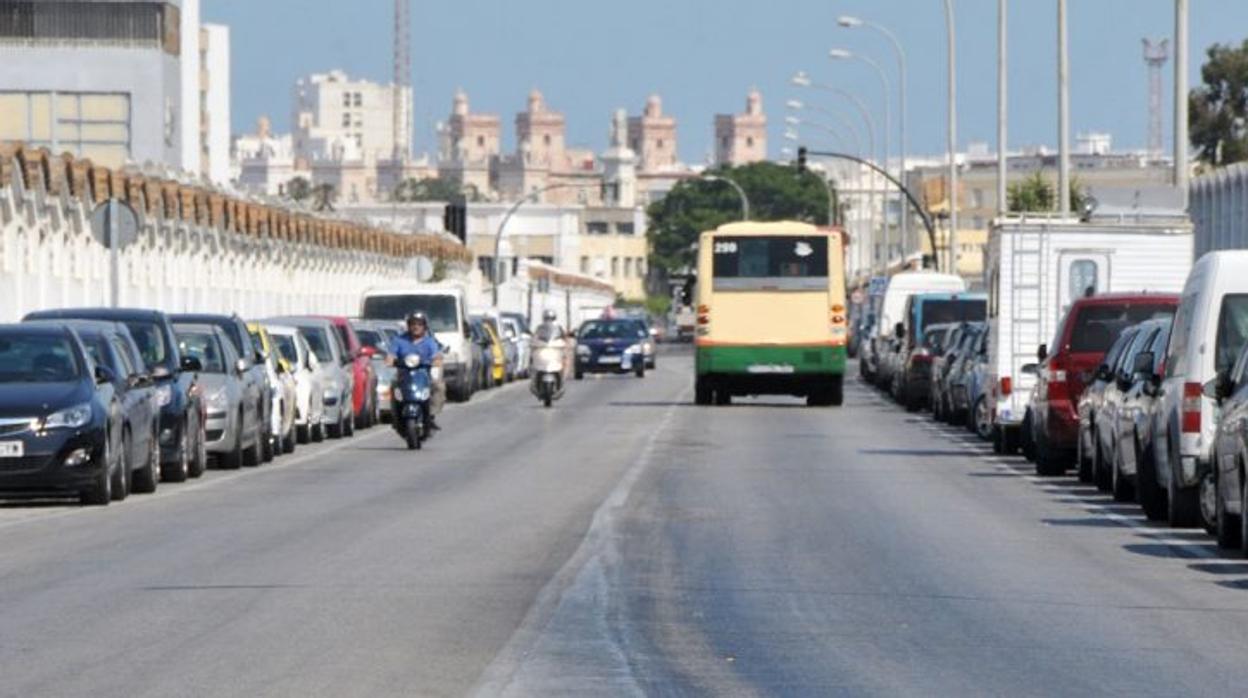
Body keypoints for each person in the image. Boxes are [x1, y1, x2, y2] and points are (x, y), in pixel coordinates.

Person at [387, 312, 444, 429]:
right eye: (413, 324)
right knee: (394, 388)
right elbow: (390, 357)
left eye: (419, 324)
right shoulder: (399, 340)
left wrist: (433, 362)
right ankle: (396, 415)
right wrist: (393, 361)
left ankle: (431, 414)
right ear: (408, 325)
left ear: (424, 326)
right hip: (404, 375)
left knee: (438, 386)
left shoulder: (430, 342)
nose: (416, 327)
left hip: (423, 375)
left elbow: (437, 358)